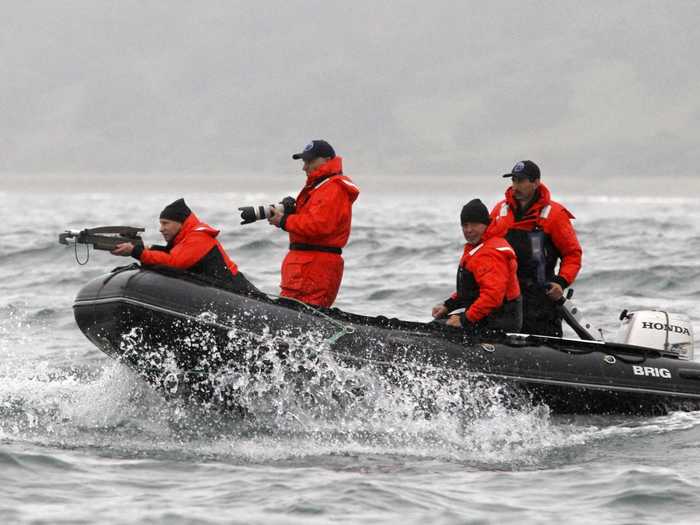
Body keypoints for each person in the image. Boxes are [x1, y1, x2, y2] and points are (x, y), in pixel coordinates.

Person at [489, 160, 582, 336]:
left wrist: (561, 282)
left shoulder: (555, 214)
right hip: (505, 294)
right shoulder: (499, 211)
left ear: (536, 182)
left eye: (521, 181)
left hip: (540, 298)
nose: (516, 186)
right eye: (514, 180)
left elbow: (572, 254)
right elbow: (484, 248)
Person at [268, 140, 360, 307]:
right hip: (306, 266)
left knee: (301, 316)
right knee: (293, 315)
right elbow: (314, 220)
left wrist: (284, 220)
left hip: (314, 267)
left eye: (310, 161)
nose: (305, 167)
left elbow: (319, 225)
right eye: (304, 162)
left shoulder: (333, 188)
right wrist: (292, 212)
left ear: (326, 160)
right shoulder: (321, 187)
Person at [112, 198, 257, 294]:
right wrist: (140, 248)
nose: (161, 229)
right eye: (160, 224)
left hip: (238, 291)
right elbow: (167, 255)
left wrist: (136, 252)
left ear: (180, 223)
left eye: (165, 223)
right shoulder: (183, 241)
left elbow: (173, 263)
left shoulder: (199, 237)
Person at [432, 199, 522, 334]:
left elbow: (493, 296)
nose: (468, 230)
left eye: (474, 225)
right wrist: (448, 305)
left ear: (486, 224)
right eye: (465, 225)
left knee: (438, 330)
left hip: (499, 323)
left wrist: (464, 320)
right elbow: (470, 290)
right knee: (434, 326)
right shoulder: (477, 247)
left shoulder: (490, 253)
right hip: (483, 317)